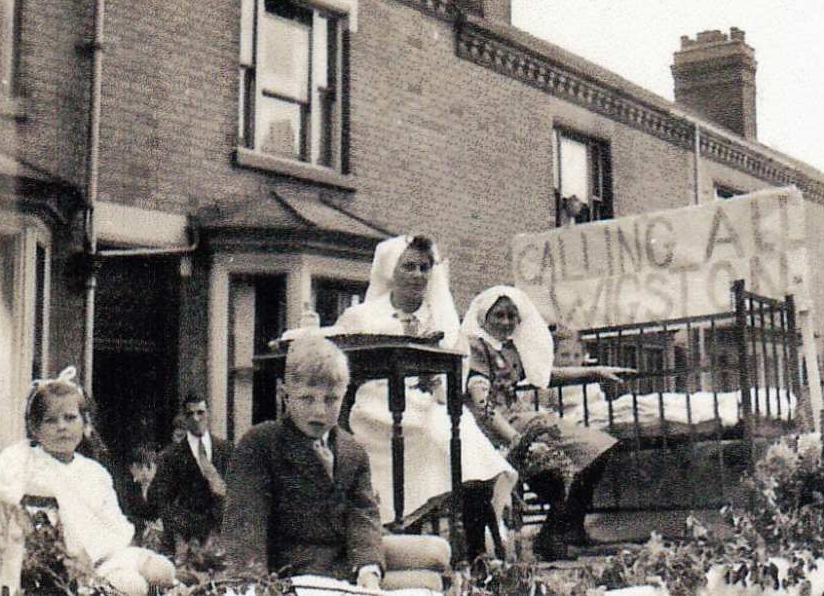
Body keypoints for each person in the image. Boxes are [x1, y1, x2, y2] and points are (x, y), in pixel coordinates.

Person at [329, 235, 517, 530]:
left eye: (425, 267)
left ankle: (476, 544)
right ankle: (407, 518)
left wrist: (435, 383)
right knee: (437, 437)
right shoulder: (361, 316)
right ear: (391, 270)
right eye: (409, 267)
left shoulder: (440, 317)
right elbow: (341, 368)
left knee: (464, 437)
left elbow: (454, 371)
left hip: (431, 404)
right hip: (376, 405)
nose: (418, 275)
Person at [460, 285, 635, 559]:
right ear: (484, 317)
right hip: (496, 425)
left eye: (511, 317)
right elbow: (482, 404)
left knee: (597, 448)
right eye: (499, 316)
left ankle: (566, 529)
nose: (506, 323)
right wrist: (516, 440)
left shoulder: (509, 349)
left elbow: (542, 375)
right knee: (556, 466)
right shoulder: (475, 347)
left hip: (522, 418)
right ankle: (556, 535)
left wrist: (594, 372)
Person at [0, 367, 176, 596]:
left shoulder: (94, 472)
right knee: (132, 587)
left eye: (70, 418)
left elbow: (114, 523)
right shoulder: (22, 461)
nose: (62, 427)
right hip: (55, 562)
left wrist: (111, 552)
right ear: (35, 428)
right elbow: (9, 511)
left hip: (102, 555)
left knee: (163, 570)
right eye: (51, 420)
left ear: (84, 423)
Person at [222, 335, 383, 588]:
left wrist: (368, 571)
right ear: (285, 395)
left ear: (344, 396)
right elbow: (246, 522)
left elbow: (362, 516)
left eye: (331, 399)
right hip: (293, 569)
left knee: (434, 553)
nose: (319, 411)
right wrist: (251, 584)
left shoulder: (353, 451)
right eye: (307, 398)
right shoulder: (261, 444)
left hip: (345, 561)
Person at [150, 392, 233, 553]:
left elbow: (240, 490)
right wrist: (182, 530)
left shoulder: (227, 450)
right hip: (188, 543)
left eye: (200, 412)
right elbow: (158, 498)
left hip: (224, 539)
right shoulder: (171, 456)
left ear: (208, 414)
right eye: (190, 414)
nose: (196, 418)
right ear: (185, 418)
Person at [119, 444, 159, 528]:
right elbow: (125, 515)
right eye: (139, 467)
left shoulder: (162, 487)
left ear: (156, 468)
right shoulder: (126, 489)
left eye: (149, 467)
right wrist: (145, 524)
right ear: (131, 468)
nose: (144, 473)